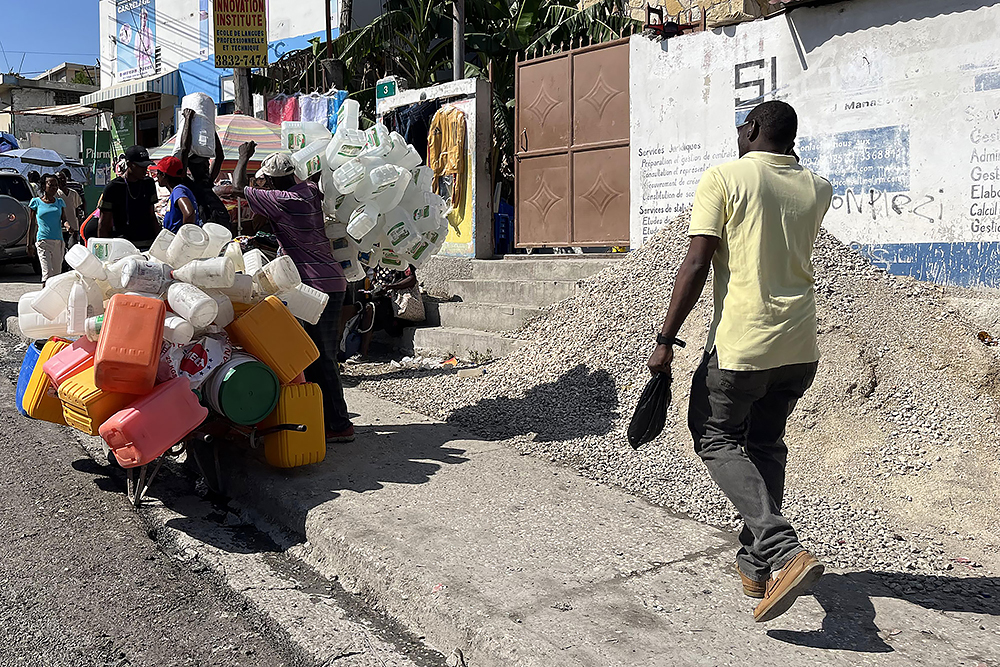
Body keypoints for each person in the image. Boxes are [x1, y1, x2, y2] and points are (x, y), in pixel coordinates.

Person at [646, 101, 833, 624]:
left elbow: (697, 262)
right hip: (798, 347)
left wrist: (666, 338)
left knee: (714, 437)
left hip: (742, 346)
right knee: (765, 444)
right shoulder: (818, 188)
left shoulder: (724, 178)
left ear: (752, 129)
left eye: (740, 126)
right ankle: (755, 564)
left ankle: (783, 550)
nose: (736, 134)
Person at [217, 142, 354, 443]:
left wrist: (243, 157)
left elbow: (237, 188)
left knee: (321, 356)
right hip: (328, 281)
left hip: (317, 285)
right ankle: (325, 419)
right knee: (311, 354)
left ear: (272, 181)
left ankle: (340, 424)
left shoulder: (282, 199)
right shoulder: (309, 191)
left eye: (266, 180)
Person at [89, 145, 160, 246]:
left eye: (146, 166)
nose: (145, 170)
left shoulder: (149, 184)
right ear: (129, 164)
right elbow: (104, 223)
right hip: (123, 245)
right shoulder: (113, 187)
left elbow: (152, 215)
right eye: (141, 166)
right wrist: (105, 249)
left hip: (148, 243)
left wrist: (159, 241)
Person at [176, 107, 232, 230]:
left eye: (206, 163)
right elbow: (184, 150)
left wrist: (210, 128)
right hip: (205, 226)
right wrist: (188, 120)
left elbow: (219, 156)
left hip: (218, 224)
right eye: (201, 164)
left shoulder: (207, 181)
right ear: (191, 166)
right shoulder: (187, 183)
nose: (206, 166)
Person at [357, 264, 422, 359]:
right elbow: (375, 279)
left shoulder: (402, 261)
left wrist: (391, 287)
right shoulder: (378, 261)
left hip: (395, 301)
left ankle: (364, 353)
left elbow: (411, 279)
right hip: (381, 298)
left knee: (370, 309)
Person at [27, 174, 70, 282]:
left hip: (58, 241)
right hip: (43, 241)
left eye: (56, 185)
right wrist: (29, 244)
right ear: (43, 186)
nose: (54, 188)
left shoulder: (59, 202)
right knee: (47, 274)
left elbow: (64, 219)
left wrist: (68, 226)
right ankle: (44, 292)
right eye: (51, 185)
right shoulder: (36, 202)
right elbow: (32, 224)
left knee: (56, 275)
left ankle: (54, 293)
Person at [150, 156, 200, 232]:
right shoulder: (178, 191)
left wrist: (184, 234)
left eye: (158, 173)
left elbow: (189, 213)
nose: (157, 176)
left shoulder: (178, 191)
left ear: (163, 175)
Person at [57, 169, 83, 246]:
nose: (62, 180)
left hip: (73, 226)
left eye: (63, 178)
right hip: (60, 228)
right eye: (59, 179)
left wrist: (78, 222)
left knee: (72, 247)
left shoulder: (73, 193)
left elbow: (77, 208)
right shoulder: (55, 194)